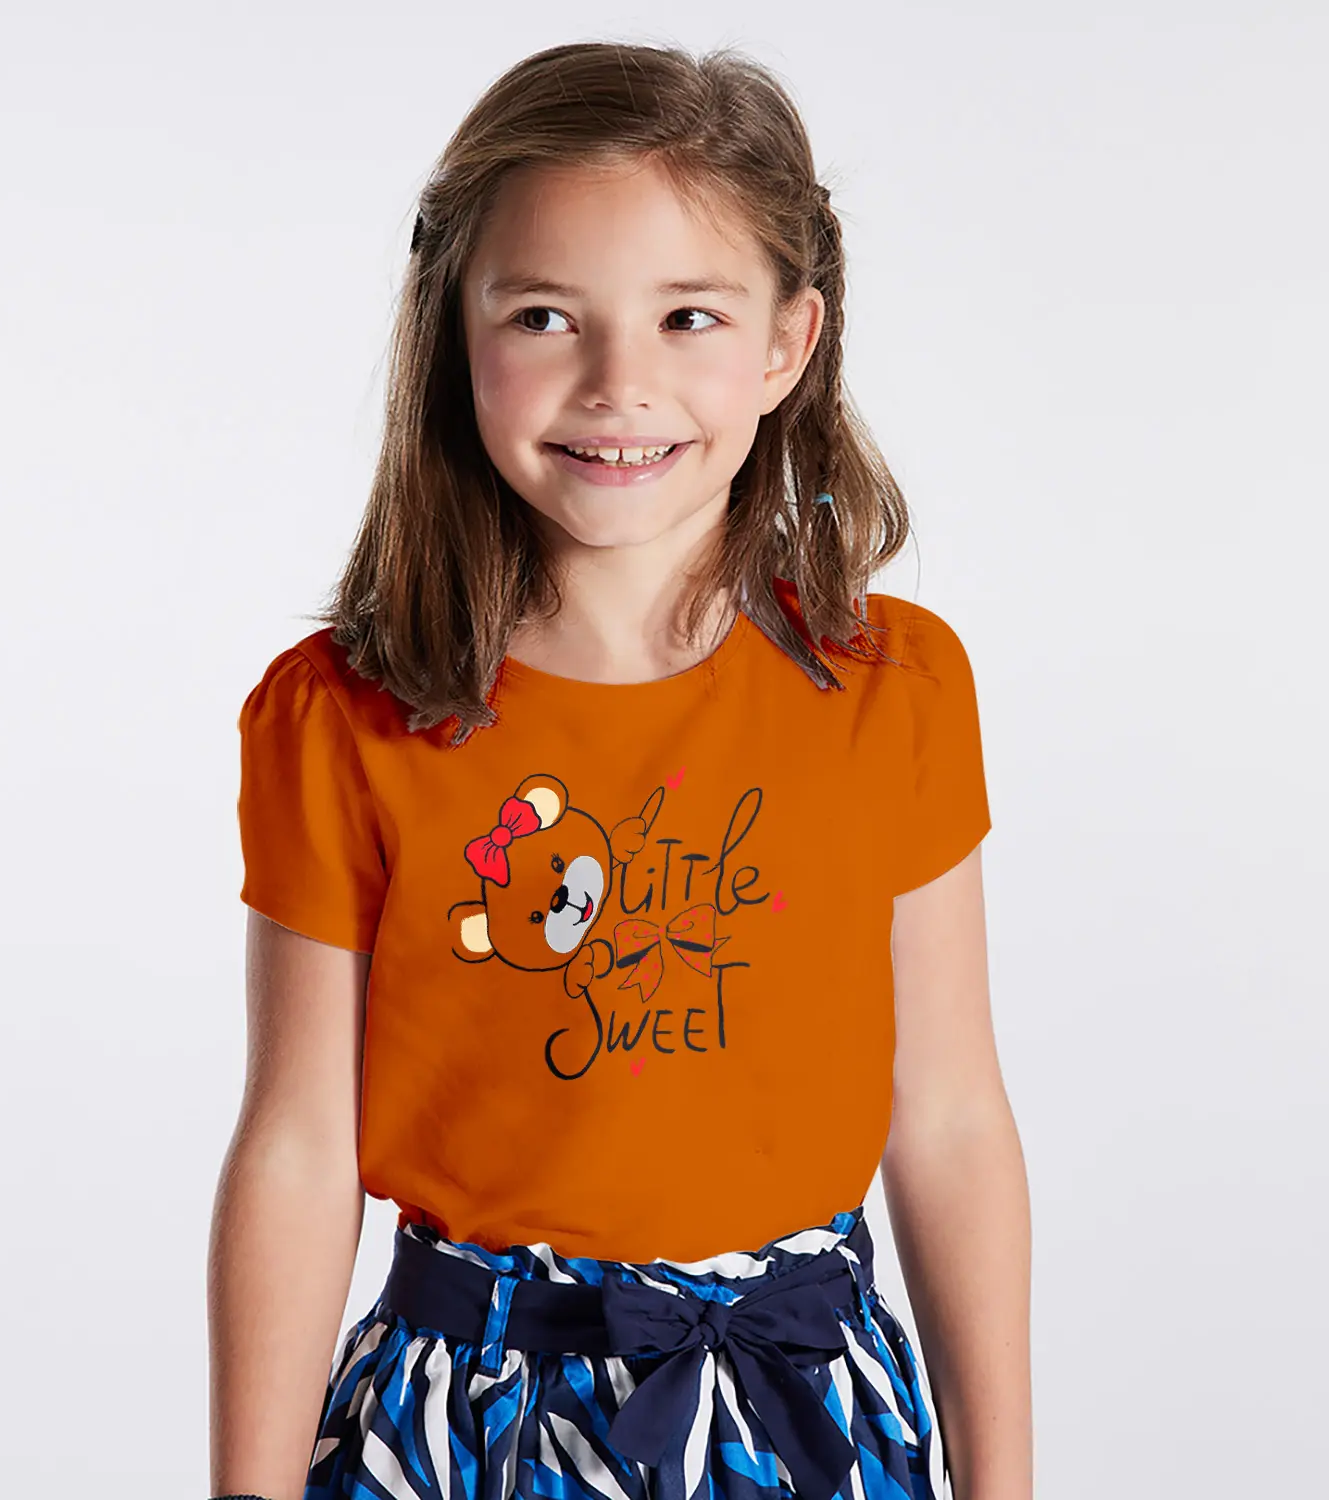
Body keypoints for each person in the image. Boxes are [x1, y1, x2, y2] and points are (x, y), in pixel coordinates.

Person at [207, 39, 1032, 1500]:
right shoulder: (339, 718)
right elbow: (295, 1148)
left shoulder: (895, 692)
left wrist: (1004, 1481)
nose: (617, 384)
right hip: (460, 1428)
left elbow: (952, 1115)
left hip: (807, 1412)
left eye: (688, 316)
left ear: (787, 344)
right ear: (453, 336)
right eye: (544, 315)